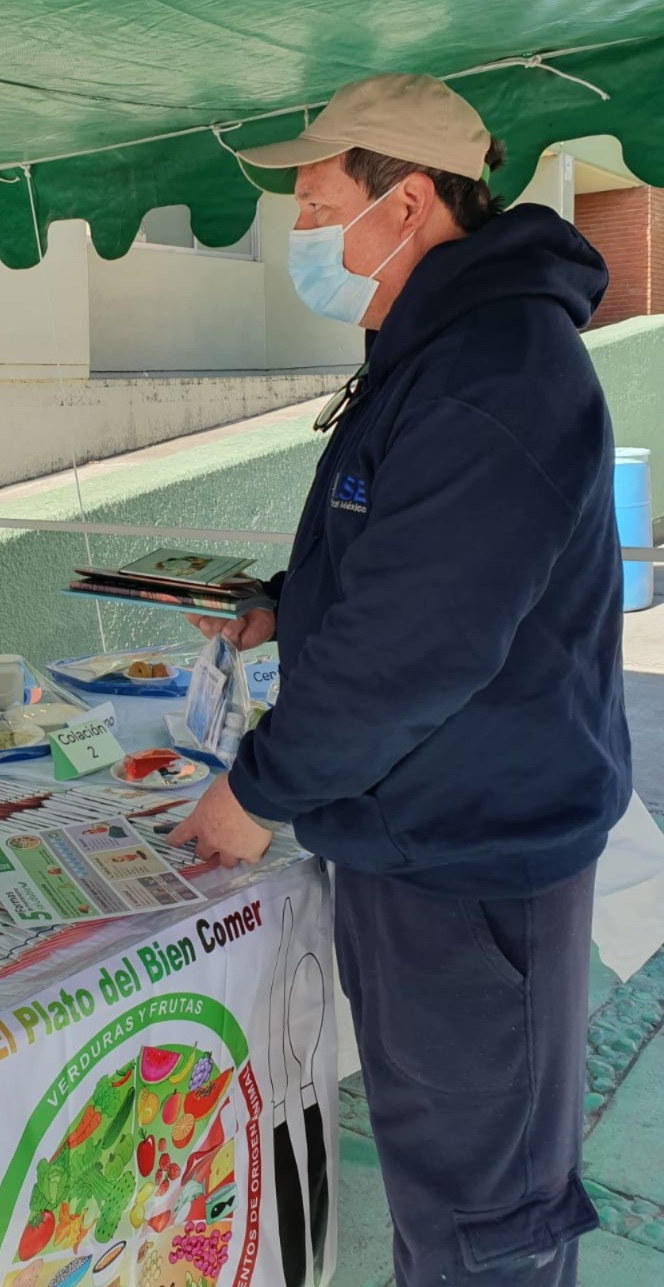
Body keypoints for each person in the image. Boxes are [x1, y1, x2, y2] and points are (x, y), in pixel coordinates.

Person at [169, 74, 631, 1286]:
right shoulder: (434, 346)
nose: (302, 232)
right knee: (447, 1175)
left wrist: (255, 791)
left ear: (409, 200)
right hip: (414, 834)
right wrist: (293, 603)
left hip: (469, 858)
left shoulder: (494, 370)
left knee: (487, 1217)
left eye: (316, 203)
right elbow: (409, 562)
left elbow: (412, 647)